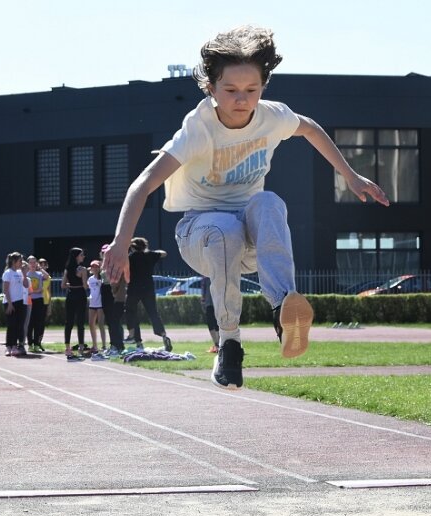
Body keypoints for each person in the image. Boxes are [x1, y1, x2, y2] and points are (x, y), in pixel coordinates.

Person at [102, 25, 388, 390]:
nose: (242, 100)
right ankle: (230, 343)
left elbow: (311, 128)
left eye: (251, 90)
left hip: (249, 235)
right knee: (224, 230)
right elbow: (143, 184)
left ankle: (283, 308)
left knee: (268, 202)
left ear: (263, 88)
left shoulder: (272, 116)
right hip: (199, 233)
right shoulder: (198, 129)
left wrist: (350, 176)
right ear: (211, 88)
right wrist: (121, 242)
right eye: (231, 91)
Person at [124, 237, 171, 351]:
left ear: (133, 247)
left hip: (134, 288)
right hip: (148, 288)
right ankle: (163, 335)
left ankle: (135, 338)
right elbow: (164, 253)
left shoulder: (129, 258)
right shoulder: (150, 255)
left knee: (131, 312)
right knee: (153, 313)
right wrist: (150, 252)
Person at [62, 247, 89, 361]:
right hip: (80, 295)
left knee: (69, 322)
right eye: (82, 255)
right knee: (80, 322)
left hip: (71, 294)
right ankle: (81, 347)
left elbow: (63, 285)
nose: (83, 257)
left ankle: (67, 347)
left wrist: (70, 284)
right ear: (77, 256)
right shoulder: (82, 269)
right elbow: (85, 286)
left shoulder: (67, 269)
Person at [2, 252, 29, 356]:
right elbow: (5, 290)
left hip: (20, 301)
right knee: (11, 325)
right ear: (14, 261)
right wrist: (9, 303)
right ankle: (9, 346)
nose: (21, 263)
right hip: (10, 302)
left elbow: (26, 285)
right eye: (20, 261)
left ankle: (16, 346)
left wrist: (24, 274)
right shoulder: (8, 273)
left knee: (19, 325)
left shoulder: (19, 272)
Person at [25, 255, 49, 352]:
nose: (33, 264)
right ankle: (30, 344)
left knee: (38, 323)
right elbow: (27, 290)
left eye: (35, 262)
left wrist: (41, 268)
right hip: (29, 300)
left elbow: (47, 277)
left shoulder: (39, 274)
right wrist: (36, 291)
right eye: (31, 262)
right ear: (28, 264)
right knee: (30, 323)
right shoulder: (26, 274)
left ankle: (37, 344)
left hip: (39, 300)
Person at [87, 260, 106, 353]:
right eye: (93, 267)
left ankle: (104, 345)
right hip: (92, 303)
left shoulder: (102, 278)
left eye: (96, 266)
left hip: (100, 304)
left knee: (101, 324)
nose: (95, 268)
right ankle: (95, 345)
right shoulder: (90, 279)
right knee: (91, 324)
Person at [201, 276, 220, 353]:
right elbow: (203, 290)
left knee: (216, 324)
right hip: (209, 303)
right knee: (210, 324)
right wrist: (203, 301)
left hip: (216, 303)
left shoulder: (217, 275)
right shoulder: (205, 278)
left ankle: (219, 344)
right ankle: (216, 344)